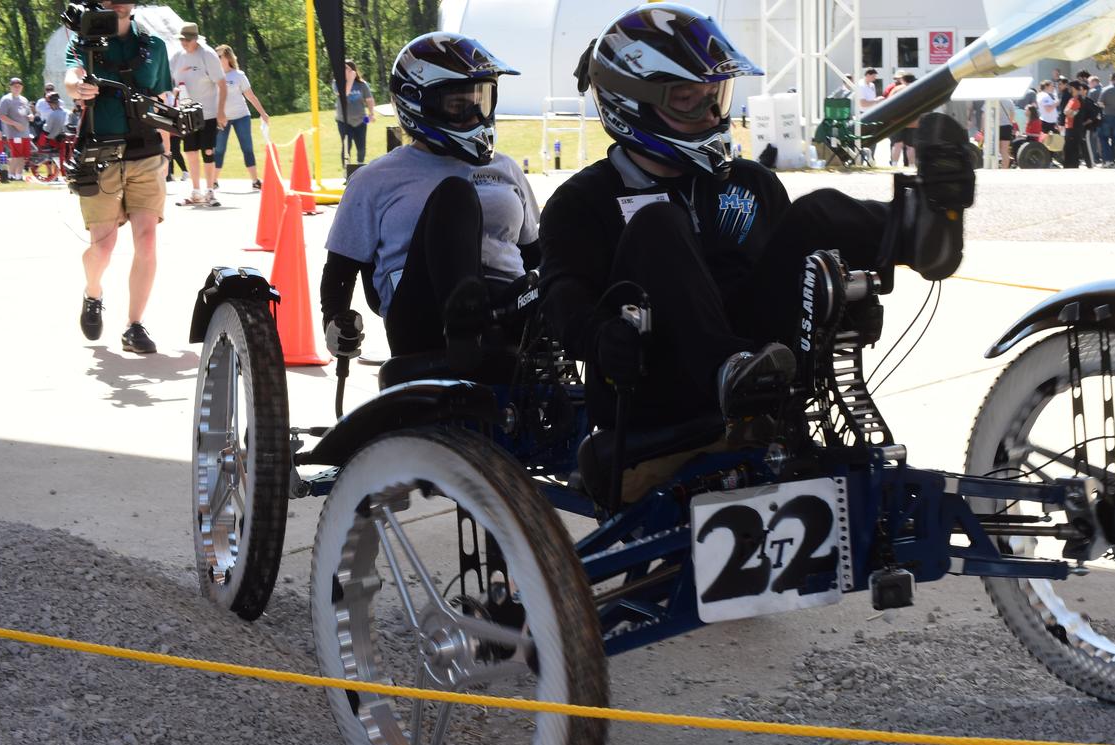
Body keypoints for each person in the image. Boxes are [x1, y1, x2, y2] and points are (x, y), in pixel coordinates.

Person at [540, 3, 974, 432]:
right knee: (657, 222)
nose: (711, 115)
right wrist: (600, 338)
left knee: (818, 211)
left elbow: (787, 275)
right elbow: (564, 301)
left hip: (766, 375)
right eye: (688, 98)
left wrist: (839, 303)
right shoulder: (583, 201)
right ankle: (727, 371)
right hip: (656, 389)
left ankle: (920, 227)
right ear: (632, 103)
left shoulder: (751, 183)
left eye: (715, 97)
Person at [319, 33, 540, 360]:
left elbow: (535, 254)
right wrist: (334, 320)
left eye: (482, 101)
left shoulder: (506, 168)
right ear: (418, 103)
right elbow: (340, 271)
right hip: (425, 320)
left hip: (507, 312)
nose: (476, 116)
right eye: (459, 104)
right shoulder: (374, 180)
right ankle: (467, 334)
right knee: (455, 196)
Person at [64, 0, 173, 353]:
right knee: (104, 246)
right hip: (101, 155)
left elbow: (161, 98)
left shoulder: (153, 46)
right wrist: (78, 88)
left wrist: (168, 152)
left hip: (147, 153)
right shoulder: (84, 40)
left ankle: (134, 325)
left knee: (148, 239)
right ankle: (92, 293)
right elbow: (72, 76)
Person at [170, 21, 227, 206]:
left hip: (208, 112)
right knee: (190, 152)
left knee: (208, 151)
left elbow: (222, 84)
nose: (184, 42)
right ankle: (195, 192)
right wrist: (174, 91)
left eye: (187, 39)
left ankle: (210, 192)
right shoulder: (178, 56)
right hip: (186, 112)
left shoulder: (208, 55)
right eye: (182, 39)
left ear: (195, 39)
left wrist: (221, 112)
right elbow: (171, 81)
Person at [211, 44, 269, 190]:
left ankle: (255, 181)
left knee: (247, 148)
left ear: (228, 58)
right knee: (218, 149)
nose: (217, 59)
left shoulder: (238, 75)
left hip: (241, 116)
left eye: (219, 56)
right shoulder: (213, 76)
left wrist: (263, 113)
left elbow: (250, 96)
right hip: (222, 118)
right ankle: (213, 181)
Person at [334, 59, 377, 165]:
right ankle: (346, 172)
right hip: (343, 121)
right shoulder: (336, 83)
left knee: (361, 147)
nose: (342, 70)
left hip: (361, 120)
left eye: (346, 68)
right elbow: (345, 93)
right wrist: (350, 80)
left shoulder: (362, 84)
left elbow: (369, 99)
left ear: (353, 70)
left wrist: (371, 114)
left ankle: (359, 167)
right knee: (346, 147)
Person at [0, 77, 33, 181]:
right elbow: (1, 116)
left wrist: (31, 116)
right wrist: (15, 124)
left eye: (19, 86)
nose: (17, 88)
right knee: (16, 155)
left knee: (22, 155)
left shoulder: (24, 99)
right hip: (14, 133)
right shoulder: (6, 100)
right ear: (10, 87)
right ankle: (10, 175)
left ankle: (19, 176)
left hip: (25, 132)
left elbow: (29, 112)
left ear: (22, 87)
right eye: (15, 86)